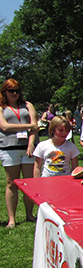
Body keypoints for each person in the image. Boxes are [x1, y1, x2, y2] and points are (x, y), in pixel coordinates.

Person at [0, 79, 38, 227]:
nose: (15, 93)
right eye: (11, 91)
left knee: (29, 183)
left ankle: (29, 214)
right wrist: (29, 125)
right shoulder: (2, 108)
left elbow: (35, 128)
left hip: (28, 149)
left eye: (17, 90)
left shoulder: (27, 105)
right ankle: (12, 219)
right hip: (9, 149)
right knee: (11, 183)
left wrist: (30, 144)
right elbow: (5, 127)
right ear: (5, 92)